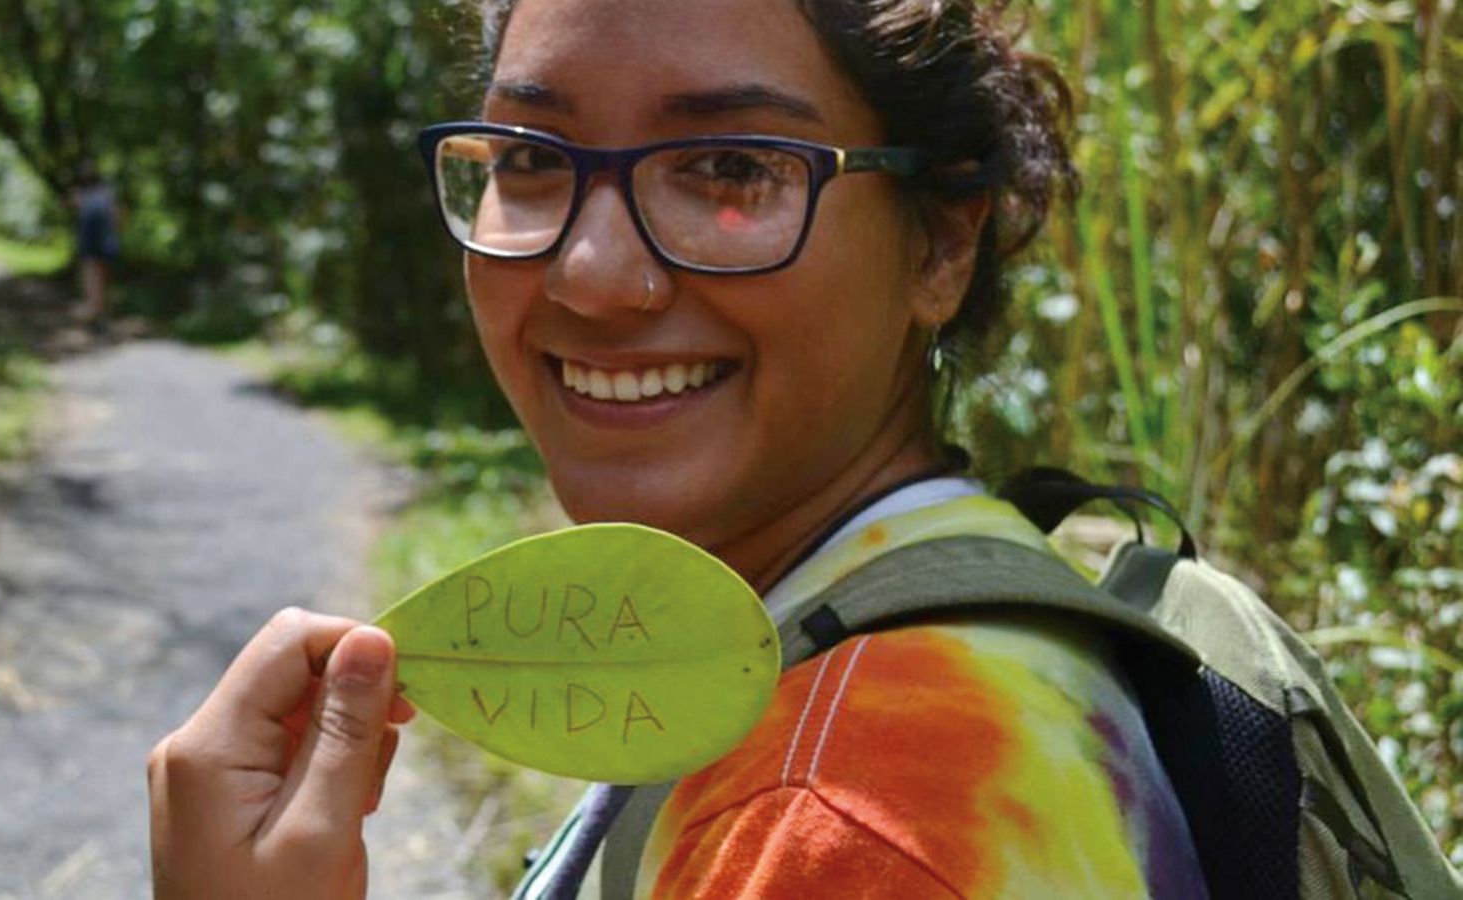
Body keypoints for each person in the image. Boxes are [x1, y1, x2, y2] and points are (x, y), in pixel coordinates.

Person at [148, 0, 1212, 896]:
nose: (592, 275)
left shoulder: (851, 818)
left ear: (940, 241)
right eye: (529, 158)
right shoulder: (824, 626)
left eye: (729, 166)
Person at [72, 165, 119, 321]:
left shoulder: (81, 194)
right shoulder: (107, 193)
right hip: (105, 240)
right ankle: (99, 307)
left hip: (92, 240)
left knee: (91, 274)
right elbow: (116, 215)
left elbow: (75, 207)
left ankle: (94, 306)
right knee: (101, 275)